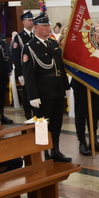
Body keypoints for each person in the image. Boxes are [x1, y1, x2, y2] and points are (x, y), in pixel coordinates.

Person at [22, 14, 71, 162]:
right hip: (42, 93)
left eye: (48, 25)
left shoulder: (53, 43)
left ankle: (55, 149)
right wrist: (33, 95)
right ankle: (44, 152)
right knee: (43, 125)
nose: (48, 28)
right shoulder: (29, 47)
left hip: (56, 90)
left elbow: (60, 67)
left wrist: (65, 86)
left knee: (57, 123)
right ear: (36, 28)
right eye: (44, 26)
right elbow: (28, 74)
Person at [11, 11, 35, 120]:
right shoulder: (19, 37)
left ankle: (36, 113)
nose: (32, 22)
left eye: (32, 20)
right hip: (25, 71)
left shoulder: (35, 35)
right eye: (29, 20)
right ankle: (28, 114)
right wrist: (20, 74)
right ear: (24, 22)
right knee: (27, 94)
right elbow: (17, 57)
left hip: (35, 70)